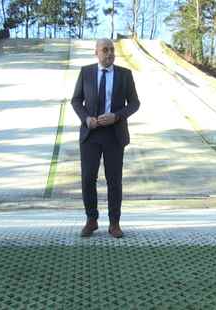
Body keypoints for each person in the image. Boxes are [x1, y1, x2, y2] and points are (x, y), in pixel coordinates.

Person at [71, 38, 140, 238]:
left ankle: (114, 223)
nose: (109, 53)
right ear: (97, 53)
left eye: (112, 50)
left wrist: (117, 116)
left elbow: (135, 103)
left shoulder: (125, 75)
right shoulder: (86, 72)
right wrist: (86, 119)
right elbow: (76, 100)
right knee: (87, 179)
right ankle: (91, 220)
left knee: (114, 181)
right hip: (91, 134)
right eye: (105, 50)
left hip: (114, 134)